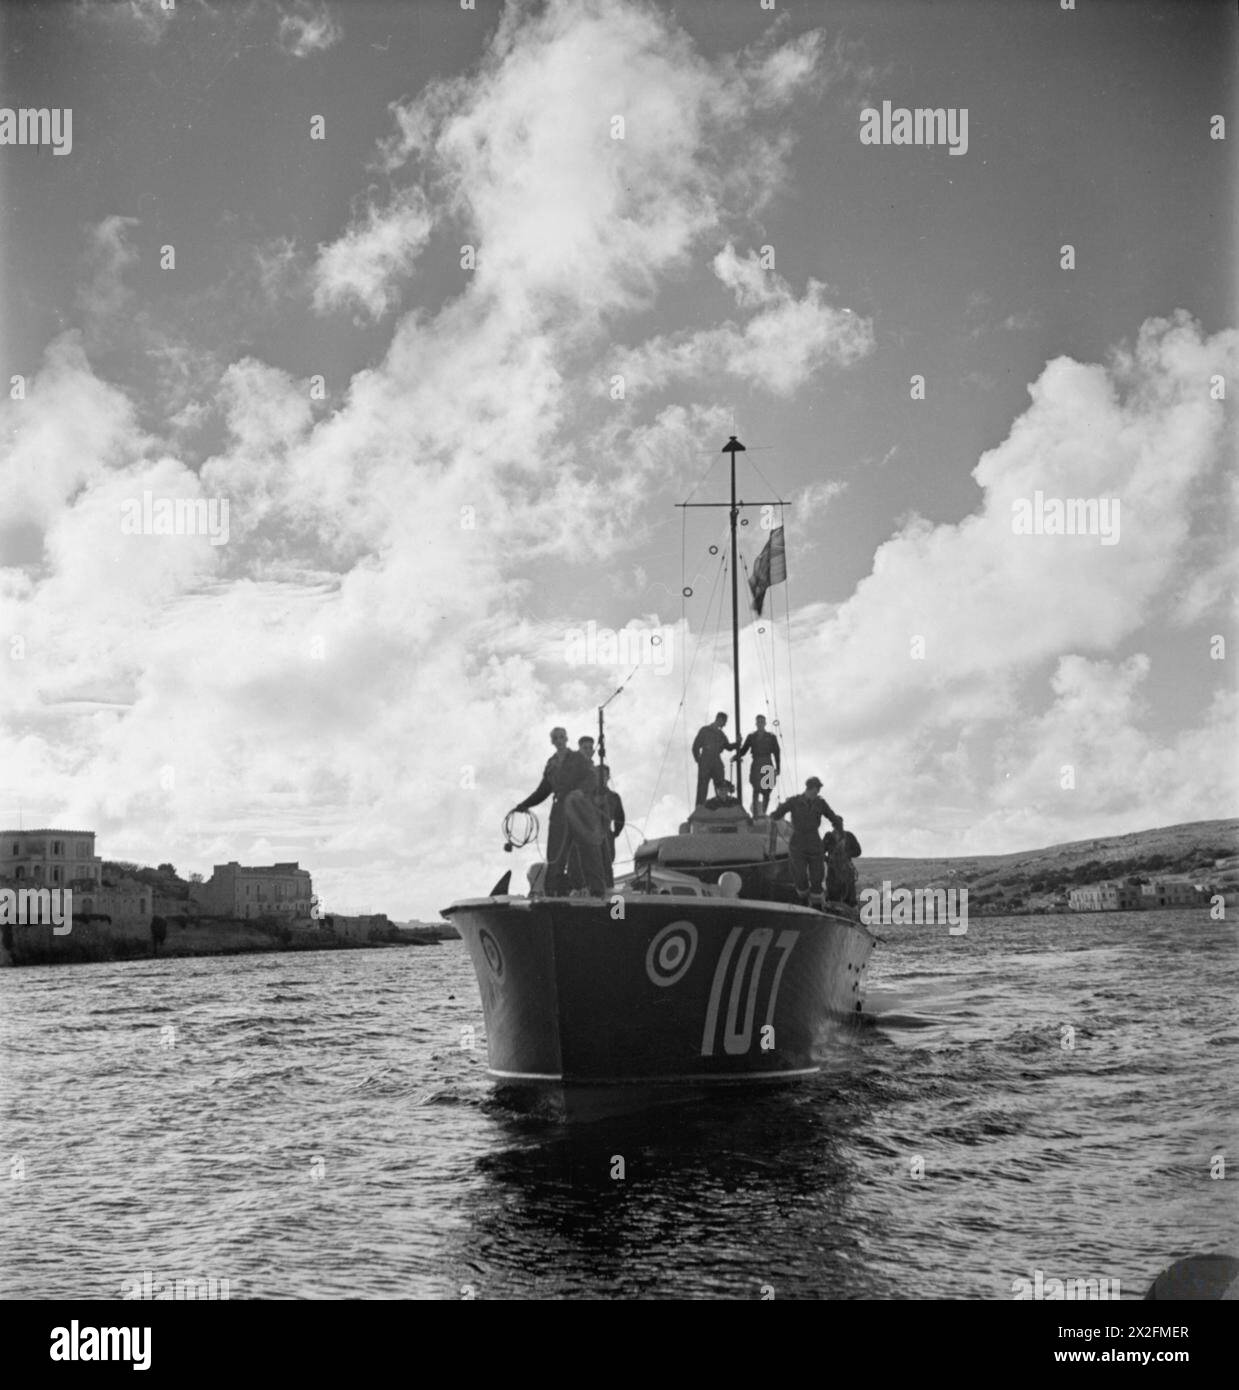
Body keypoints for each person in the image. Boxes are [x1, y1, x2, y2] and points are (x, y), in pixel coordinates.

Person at [512, 727, 572, 893]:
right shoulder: (551, 764)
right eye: (556, 738)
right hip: (559, 810)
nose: (559, 741)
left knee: (576, 852)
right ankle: (553, 892)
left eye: (562, 737)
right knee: (554, 854)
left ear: (567, 739)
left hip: (577, 810)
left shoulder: (576, 759)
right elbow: (543, 791)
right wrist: (524, 804)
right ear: (552, 742)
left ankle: (580, 888)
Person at [770, 777, 842, 908]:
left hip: (814, 840)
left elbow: (832, 816)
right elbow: (778, 813)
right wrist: (773, 816)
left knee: (817, 876)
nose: (817, 792)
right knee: (799, 875)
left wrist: (839, 829)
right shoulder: (794, 801)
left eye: (818, 790)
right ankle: (803, 900)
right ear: (809, 789)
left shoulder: (821, 803)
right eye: (815, 790)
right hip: (798, 841)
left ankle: (816, 905)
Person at [561, 736, 606, 895]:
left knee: (592, 857)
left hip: (588, 819)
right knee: (573, 854)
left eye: (589, 748)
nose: (587, 750)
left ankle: (595, 890)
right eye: (584, 748)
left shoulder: (594, 771)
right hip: (574, 815)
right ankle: (577, 887)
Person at [739, 714, 781, 816]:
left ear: (765, 723)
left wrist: (778, 767)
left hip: (768, 762)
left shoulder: (771, 737)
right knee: (756, 789)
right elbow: (743, 751)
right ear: (756, 723)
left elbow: (776, 752)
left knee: (767, 791)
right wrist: (737, 751)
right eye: (759, 722)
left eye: (762, 722)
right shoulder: (751, 737)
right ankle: (756, 815)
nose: (760, 724)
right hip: (757, 762)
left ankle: (763, 812)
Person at [691, 711, 735, 806]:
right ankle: (699, 810)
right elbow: (695, 747)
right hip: (706, 760)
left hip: (716, 761)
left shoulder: (721, 734)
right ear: (719, 719)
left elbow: (728, 747)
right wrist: (700, 761)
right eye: (724, 722)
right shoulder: (705, 730)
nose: (725, 724)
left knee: (721, 786)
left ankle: (721, 807)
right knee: (702, 787)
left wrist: (738, 743)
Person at [595, 765, 626, 888]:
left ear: (608, 777)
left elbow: (620, 818)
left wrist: (614, 834)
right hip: (590, 833)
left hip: (606, 835)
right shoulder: (588, 795)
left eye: (604, 774)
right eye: (598, 774)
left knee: (607, 866)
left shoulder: (614, 797)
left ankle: (608, 892)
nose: (601, 777)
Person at [823, 826, 861, 907]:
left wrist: (847, 854)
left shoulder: (849, 835)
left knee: (849, 894)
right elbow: (820, 851)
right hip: (833, 870)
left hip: (846, 869)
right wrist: (828, 859)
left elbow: (858, 851)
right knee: (832, 894)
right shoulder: (828, 836)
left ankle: (851, 909)